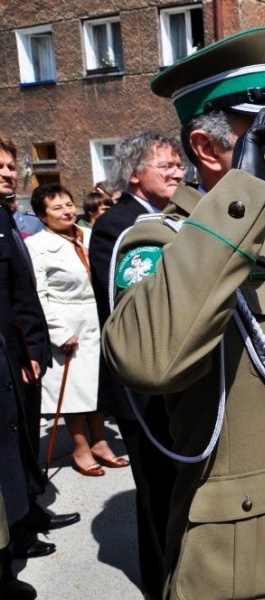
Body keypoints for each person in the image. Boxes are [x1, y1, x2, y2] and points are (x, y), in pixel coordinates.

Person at [101, 26, 265, 599]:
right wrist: (241, 195)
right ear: (205, 147)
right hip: (247, 563)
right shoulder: (161, 243)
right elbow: (150, 363)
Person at [88, 131, 183, 598]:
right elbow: (131, 309)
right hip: (140, 386)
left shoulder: (171, 219)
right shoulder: (118, 226)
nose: (177, 172)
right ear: (133, 173)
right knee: (157, 491)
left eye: (178, 164)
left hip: (174, 376)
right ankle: (161, 582)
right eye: (164, 165)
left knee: (177, 486)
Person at [0, 137, 80, 560]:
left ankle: (31, 510)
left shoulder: (6, 216)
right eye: (1, 167)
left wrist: (32, 347)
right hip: (7, 355)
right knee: (9, 447)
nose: (8, 173)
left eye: (12, 166)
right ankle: (17, 532)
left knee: (27, 436)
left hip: (20, 352)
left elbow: (21, 292)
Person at [25, 183, 129, 476]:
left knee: (97, 387)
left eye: (69, 204)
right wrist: (58, 332)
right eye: (57, 208)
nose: (67, 211)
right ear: (43, 216)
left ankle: (100, 442)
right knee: (73, 392)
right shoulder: (37, 246)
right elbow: (38, 294)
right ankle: (81, 449)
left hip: (97, 319)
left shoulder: (89, 235)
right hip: (66, 322)